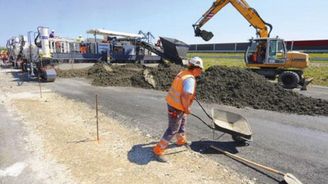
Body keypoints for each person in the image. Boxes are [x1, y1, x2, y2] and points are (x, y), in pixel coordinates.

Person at [153, 56, 204, 162]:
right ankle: (158, 150)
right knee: (172, 129)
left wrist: (185, 109)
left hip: (173, 103)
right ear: (196, 68)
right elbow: (185, 96)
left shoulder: (183, 73)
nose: (201, 72)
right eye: (201, 70)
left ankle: (181, 140)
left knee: (183, 121)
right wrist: (186, 108)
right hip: (177, 107)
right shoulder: (190, 79)